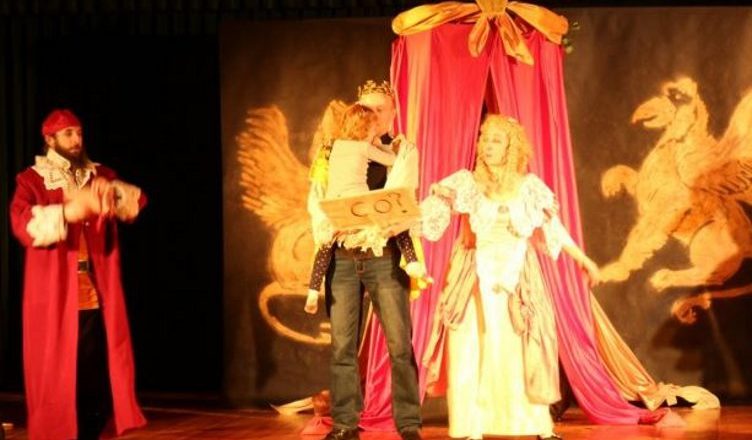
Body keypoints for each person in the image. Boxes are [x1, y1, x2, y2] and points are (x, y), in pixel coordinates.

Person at [420, 115, 600, 440]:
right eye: (484, 139)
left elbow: (553, 228)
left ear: (510, 147)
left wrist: (582, 259)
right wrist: (395, 222)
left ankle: (533, 424)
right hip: (474, 276)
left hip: (517, 275)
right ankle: (471, 427)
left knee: (518, 346)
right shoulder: (466, 183)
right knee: (471, 346)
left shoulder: (529, 187)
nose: (487, 146)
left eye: (496, 141)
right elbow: (427, 215)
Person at [9, 109, 147, 439]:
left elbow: (138, 200)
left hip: (94, 294)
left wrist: (111, 193)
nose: (76, 140)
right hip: (55, 296)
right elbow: (23, 225)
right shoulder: (31, 180)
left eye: (79, 133)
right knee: (59, 373)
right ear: (50, 139)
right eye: (68, 133)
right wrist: (70, 210)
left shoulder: (99, 174)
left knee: (96, 377)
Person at [308, 82, 423, 440]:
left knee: (399, 344)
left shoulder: (401, 152)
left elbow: (402, 200)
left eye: (380, 109)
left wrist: (377, 225)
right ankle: (345, 424)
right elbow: (317, 197)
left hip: (382, 254)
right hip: (342, 256)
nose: (372, 115)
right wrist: (332, 224)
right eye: (366, 108)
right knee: (342, 345)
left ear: (392, 113)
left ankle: (409, 424)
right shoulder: (331, 149)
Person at [304, 103, 427, 314]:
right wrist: (380, 145)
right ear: (366, 129)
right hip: (357, 203)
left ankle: (313, 290)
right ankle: (413, 261)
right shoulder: (364, 148)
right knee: (394, 216)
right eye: (373, 127)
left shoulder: (336, 146)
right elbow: (392, 160)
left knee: (325, 246)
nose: (375, 131)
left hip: (336, 205)